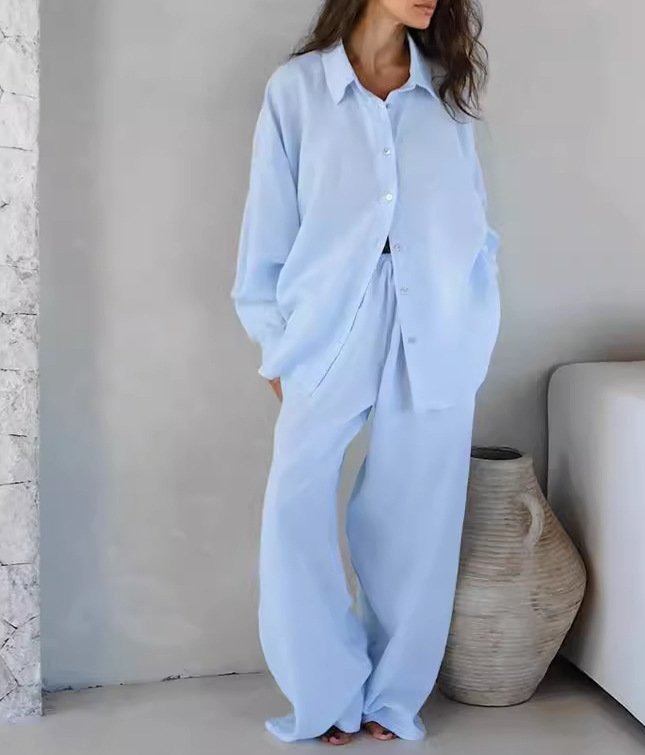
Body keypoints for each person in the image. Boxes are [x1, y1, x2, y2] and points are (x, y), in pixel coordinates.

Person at [230, 0, 500, 746]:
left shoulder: (445, 92)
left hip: (435, 326)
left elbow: (474, 223)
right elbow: (266, 228)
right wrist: (276, 343)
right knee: (295, 508)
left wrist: (474, 323)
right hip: (327, 328)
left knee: (416, 516)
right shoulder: (297, 91)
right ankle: (323, 692)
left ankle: (390, 698)